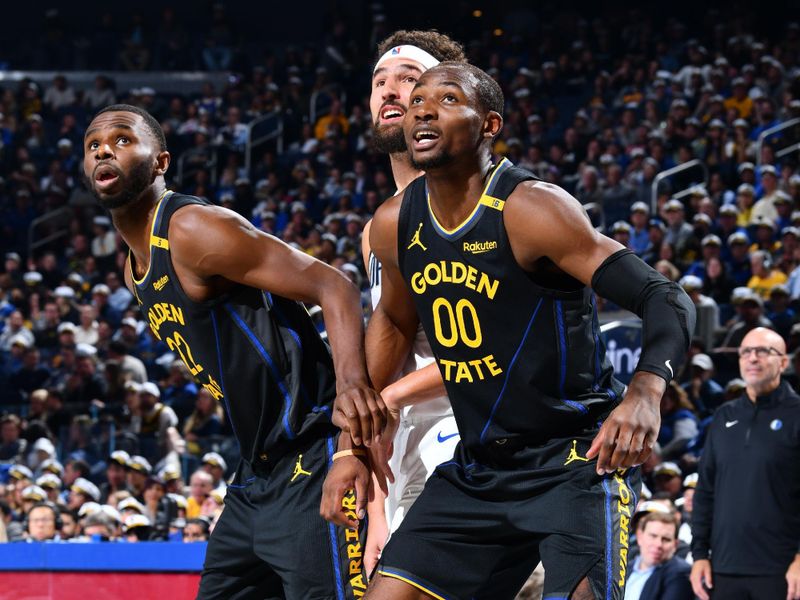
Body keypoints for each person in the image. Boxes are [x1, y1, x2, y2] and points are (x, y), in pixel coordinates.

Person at [340, 62, 694, 600]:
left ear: (489, 125)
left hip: (574, 457)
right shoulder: (395, 222)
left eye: (448, 98)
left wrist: (645, 390)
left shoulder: (531, 208)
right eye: (416, 103)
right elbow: (392, 317)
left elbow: (664, 296)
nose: (423, 110)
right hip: (480, 466)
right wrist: (353, 445)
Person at [83, 104, 384, 599]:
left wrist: (351, 389)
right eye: (94, 145)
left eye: (121, 140)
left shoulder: (192, 229)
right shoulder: (132, 270)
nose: (103, 151)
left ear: (160, 162)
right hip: (256, 471)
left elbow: (335, 286)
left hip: (309, 450)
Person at [362, 29, 467, 573]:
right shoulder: (376, 228)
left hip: (468, 438)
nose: (390, 91)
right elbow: (386, 364)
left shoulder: (469, 209)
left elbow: (487, 350)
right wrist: (376, 512)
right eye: (380, 81)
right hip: (406, 452)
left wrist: (393, 395)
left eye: (408, 80)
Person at [690, 327, 800, 600]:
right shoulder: (723, 416)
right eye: (746, 352)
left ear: (783, 362)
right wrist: (700, 554)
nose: (753, 358)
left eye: (763, 351)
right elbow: (705, 491)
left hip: (783, 570)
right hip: (723, 569)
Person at [624, 512, 692, 600]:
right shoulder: (625, 567)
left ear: (675, 545)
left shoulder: (680, 574)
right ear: (640, 537)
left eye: (666, 539)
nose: (658, 544)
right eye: (653, 536)